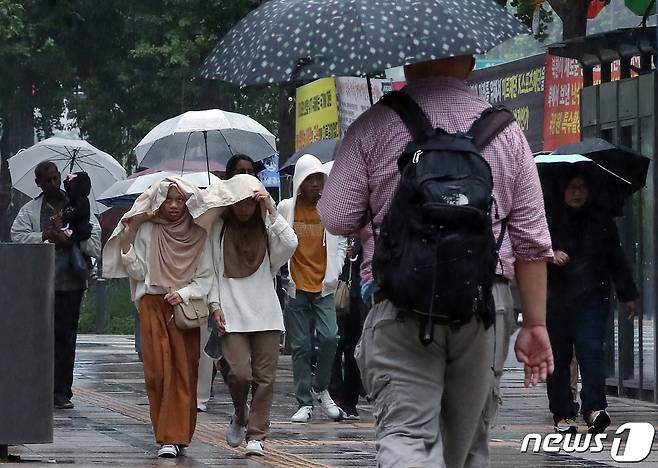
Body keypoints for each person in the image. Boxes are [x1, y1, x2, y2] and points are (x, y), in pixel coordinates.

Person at [317, 55, 555, 467]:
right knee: (467, 447)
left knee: (408, 437)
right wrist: (535, 324)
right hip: (482, 305)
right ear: (470, 60)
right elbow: (532, 243)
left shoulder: (373, 125)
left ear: (407, 62)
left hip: (399, 300)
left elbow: (336, 216)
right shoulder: (506, 131)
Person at [104, 177, 214, 458]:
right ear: (159, 202)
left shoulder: (199, 233)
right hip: (153, 305)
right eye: (168, 199)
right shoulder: (148, 230)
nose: (174, 205)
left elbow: (206, 277)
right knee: (157, 372)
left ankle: (174, 436)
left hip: (183, 309)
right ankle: (165, 434)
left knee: (183, 372)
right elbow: (139, 272)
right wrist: (127, 244)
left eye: (180, 200)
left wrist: (185, 293)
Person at [207, 174, 297, 456]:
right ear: (231, 204)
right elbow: (210, 270)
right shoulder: (218, 229)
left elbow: (291, 243)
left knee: (265, 378)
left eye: (250, 202)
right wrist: (214, 306)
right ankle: (239, 414)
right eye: (239, 203)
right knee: (239, 375)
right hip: (231, 312)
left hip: (266, 314)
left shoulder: (268, 228)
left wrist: (271, 208)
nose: (245, 208)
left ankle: (257, 434)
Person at [546, 173, 638, 435]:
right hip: (556, 299)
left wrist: (628, 294)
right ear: (562, 191)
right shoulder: (547, 219)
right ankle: (563, 412)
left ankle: (595, 408)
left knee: (591, 350)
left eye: (582, 188)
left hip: (592, 298)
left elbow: (615, 258)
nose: (577, 194)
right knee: (559, 357)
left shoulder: (601, 221)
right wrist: (549, 253)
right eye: (572, 188)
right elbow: (529, 249)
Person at [11, 161, 101, 410]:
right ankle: (39, 388)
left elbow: (95, 240)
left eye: (55, 178)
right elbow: (17, 236)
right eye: (46, 180)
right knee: (39, 338)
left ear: (60, 178)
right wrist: (45, 236)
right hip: (38, 285)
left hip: (70, 283)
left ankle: (62, 392)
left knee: (66, 338)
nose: (52, 184)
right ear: (38, 183)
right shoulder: (30, 210)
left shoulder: (79, 204)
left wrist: (70, 240)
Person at [278, 154, 347, 423]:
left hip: (324, 286)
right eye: (311, 180)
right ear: (300, 183)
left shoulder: (329, 208)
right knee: (301, 346)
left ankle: (321, 388)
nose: (317, 185)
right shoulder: (287, 208)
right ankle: (304, 401)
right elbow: (278, 237)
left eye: (320, 179)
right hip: (297, 285)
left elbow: (340, 241)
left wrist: (335, 271)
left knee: (330, 338)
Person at [329, 237, 365, 420]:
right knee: (334, 341)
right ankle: (335, 395)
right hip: (337, 289)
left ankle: (350, 401)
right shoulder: (336, 225)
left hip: (360, 291)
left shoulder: (368, 224)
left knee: (355, 347)